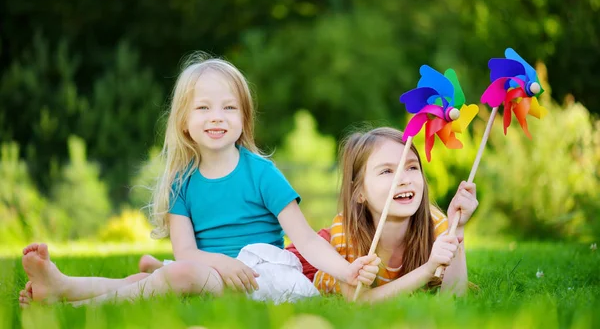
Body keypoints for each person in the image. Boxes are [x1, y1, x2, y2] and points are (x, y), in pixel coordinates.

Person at [18, 54, 379, 307]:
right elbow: (186, 252)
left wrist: (348, 271)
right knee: (142, 283)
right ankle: (61, 286)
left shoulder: (261, 173)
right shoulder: (182, 182)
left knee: (170, 278)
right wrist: (217, 263)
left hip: (255, 277)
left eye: (229, 107)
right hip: (207, 270)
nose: (216, 117)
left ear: (244, 117)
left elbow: (304, 240)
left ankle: (83, 309)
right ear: (184, 122)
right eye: (203, 108)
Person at [288, 127, 478, 301]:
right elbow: (359, 300)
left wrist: (458, 230)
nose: (404, 179)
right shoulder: (347, 230)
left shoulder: (435, 223)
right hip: (308, 262)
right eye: (387, 171)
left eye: (412, 167)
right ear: (360, 192)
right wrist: (427, 270)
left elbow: (455, 298)